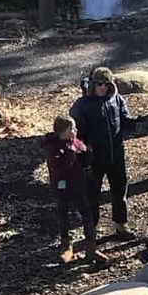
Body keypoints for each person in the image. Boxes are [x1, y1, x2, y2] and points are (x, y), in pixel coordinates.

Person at [70, 65, 136, 240]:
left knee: (120, 191)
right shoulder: (81, 106)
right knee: (92, 196)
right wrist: (83, 155)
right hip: (93, 160)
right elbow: (76, 137)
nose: (103, 87)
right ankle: (91, 232)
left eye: (107, 84)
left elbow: (125, 119)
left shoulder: (117, 100)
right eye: (99, 83)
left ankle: (121, 225)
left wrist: (135, 124)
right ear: (92, 84)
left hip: (116, 155)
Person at [42, 114, 106, 268]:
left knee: (87, 215)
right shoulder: (52, 147)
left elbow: (84, 161)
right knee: (63, 215)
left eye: (75, 128)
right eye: (71, 129)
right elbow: (59, 168)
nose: (75, 131)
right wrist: (71, 156)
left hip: (79, 186)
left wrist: (87, 155)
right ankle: (66, 246)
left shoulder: (76, 143)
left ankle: (91, 248)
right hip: (62, 187)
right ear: (62, 132)